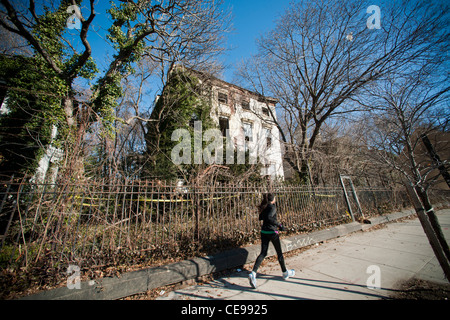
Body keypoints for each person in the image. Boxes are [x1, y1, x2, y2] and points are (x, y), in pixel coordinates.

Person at [248, 193, 295, 289]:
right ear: (273, 199)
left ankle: (253, 273)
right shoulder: (272, 207)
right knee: (279, 253)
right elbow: (269, 217)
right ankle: (285, 273)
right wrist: (279, 225)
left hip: (264, 232)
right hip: (272, 232)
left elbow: (261, 217)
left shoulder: (264, 207)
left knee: (263, 253)